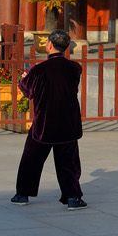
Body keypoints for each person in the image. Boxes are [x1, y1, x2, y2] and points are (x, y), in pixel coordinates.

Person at [13, 30, 86, 208]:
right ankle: (73, 198)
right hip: (68, 122)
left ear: (50, 45)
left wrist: (24, 79)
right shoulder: (75, 68)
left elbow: (28, 91)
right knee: (68, 162)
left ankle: (23, 194)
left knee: (31, 158)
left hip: (45, 122)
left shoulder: (39, 70)